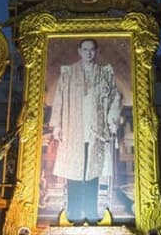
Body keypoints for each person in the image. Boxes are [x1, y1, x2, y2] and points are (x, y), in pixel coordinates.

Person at [49, 38, 121, 222]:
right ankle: (72, 213)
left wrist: (112, 120)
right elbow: (59, 98)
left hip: (96, 129)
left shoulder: (105, 73)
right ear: (79, 51)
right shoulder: (68, 72)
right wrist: (57, 124)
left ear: (96, 52)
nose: (89, 53)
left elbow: (115, 97)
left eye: (92, 50)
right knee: (74, 171)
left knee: (92, 172)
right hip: (73, 128)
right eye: (85, 49)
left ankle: (90, 212)